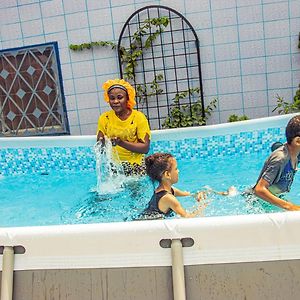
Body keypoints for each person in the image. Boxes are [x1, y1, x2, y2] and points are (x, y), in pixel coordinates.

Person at [97, 79, 151, 176]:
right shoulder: (105, 118)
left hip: (136, 166)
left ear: (128, 98)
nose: (115, 101)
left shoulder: (138, 117)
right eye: (112, 98)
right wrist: (103, 142)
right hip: (115, 167)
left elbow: (145, 148)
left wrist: (121, 143)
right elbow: (100, 146)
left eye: (120, 97)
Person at [139, 153, 209, 219]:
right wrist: (202, 205)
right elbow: (188, 218)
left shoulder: (170, 190)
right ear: (167, 175)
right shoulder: (168, 198)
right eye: (176, 169)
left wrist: (197, 194)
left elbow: (188, 194)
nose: (178, 171)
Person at [253, 114, 300, 211]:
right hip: (259, 202)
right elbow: (259, 190)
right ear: (298, 141)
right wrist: (289, 207)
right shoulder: (280, 159)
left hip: (275, 197)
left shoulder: (296, 154)